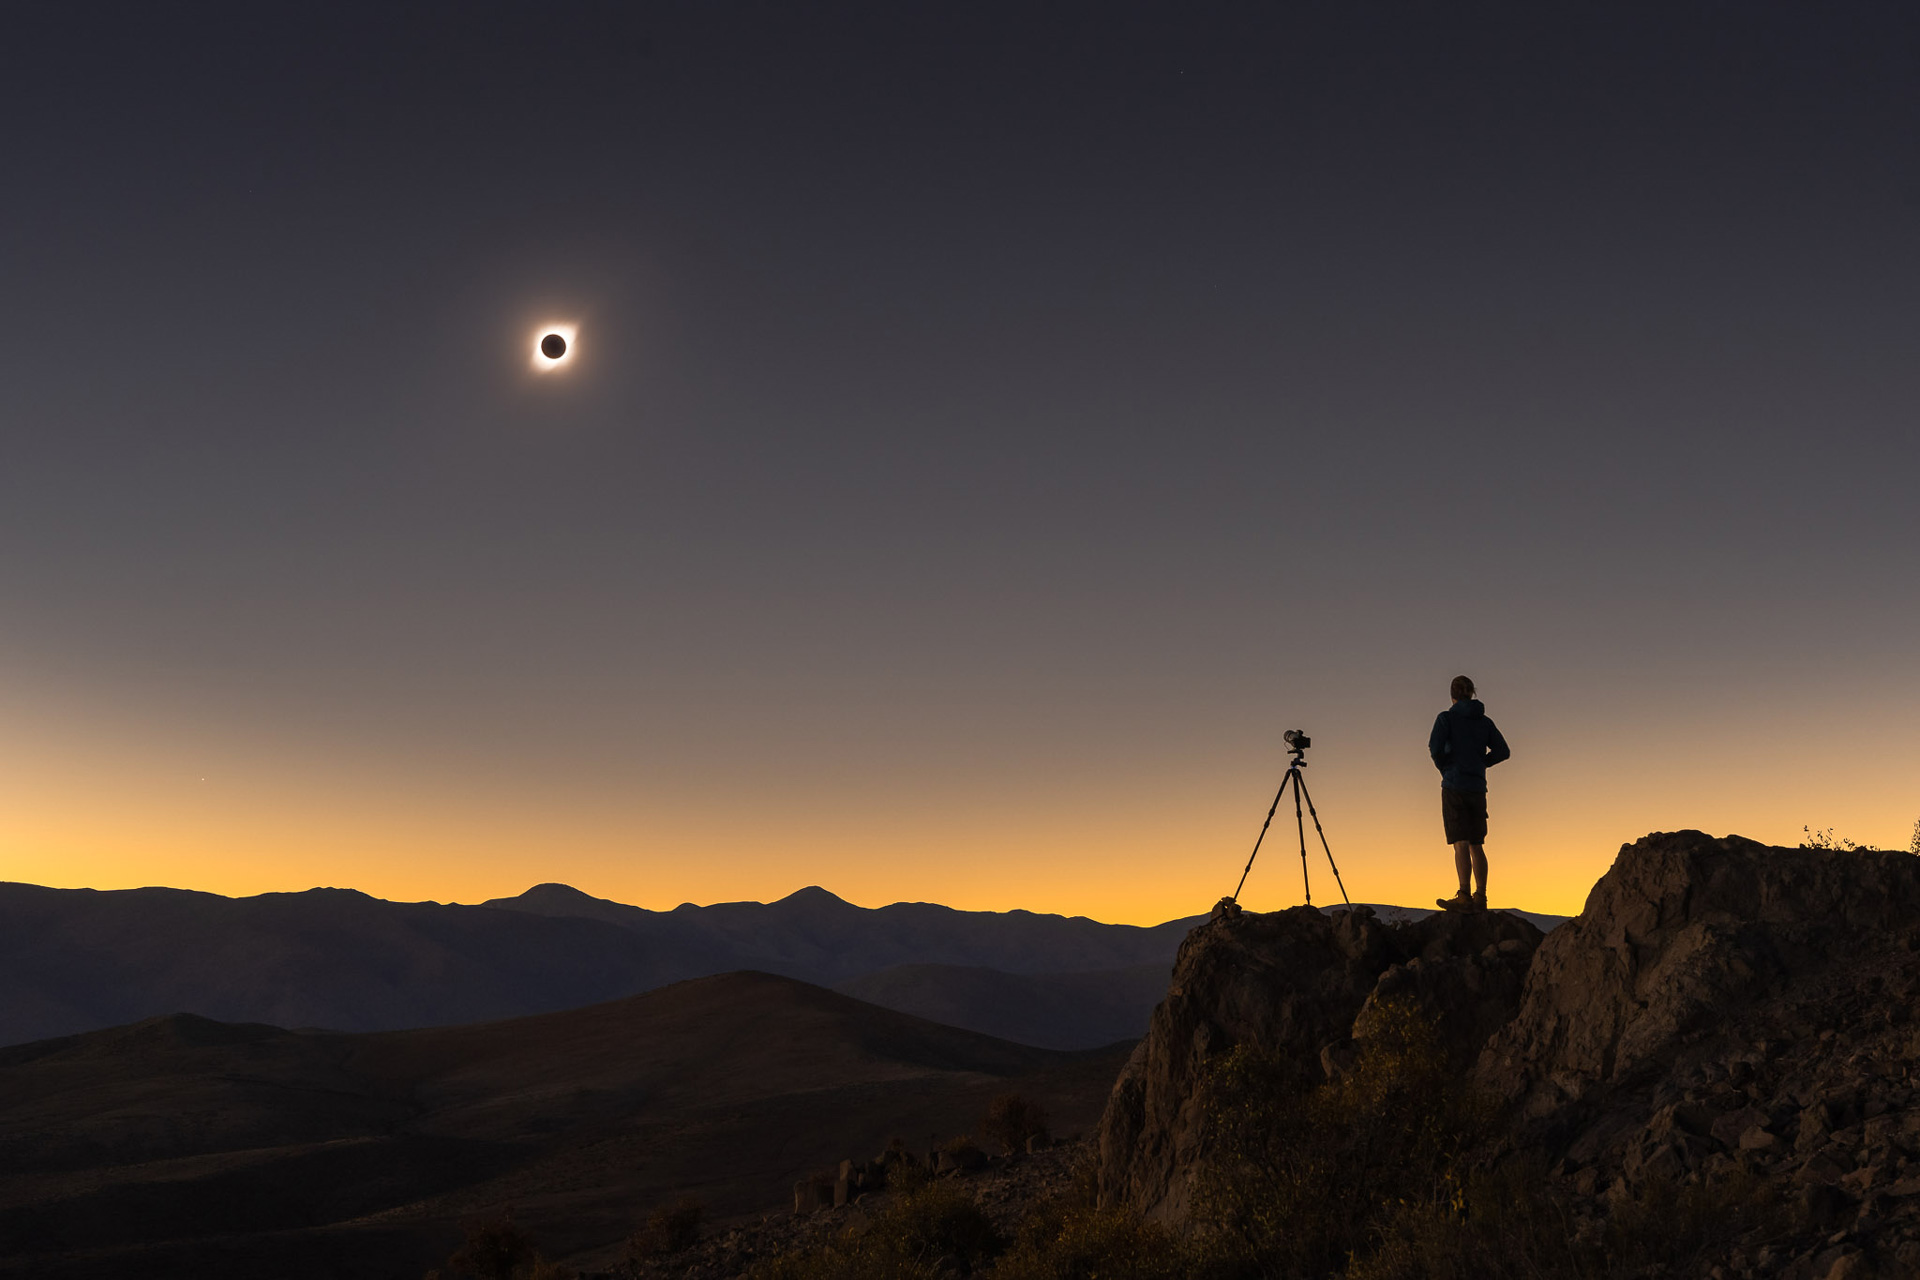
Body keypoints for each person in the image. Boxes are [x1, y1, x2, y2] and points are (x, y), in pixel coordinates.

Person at [1429, 675, 1510, 911]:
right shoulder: (1484, 722)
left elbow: (1434, 748)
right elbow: (1503, 751)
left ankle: (1464, 894)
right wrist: (1481, 763)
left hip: (1454, 785)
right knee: (1477, 842)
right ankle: (1481, 896)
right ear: (1471, 693)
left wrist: (1445, 766)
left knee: (1460, 842)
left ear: (1452, 695)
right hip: (1477, 787)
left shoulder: (1446, 719)